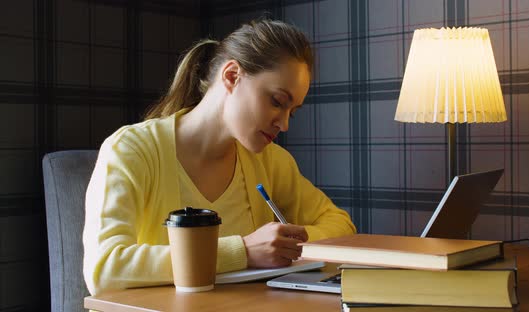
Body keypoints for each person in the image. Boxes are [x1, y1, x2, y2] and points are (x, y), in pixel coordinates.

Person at [82, 19, 356, 296]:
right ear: (232, 76)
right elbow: (104, 269)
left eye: (292, 112)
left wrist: (287, 244)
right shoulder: (132, 149)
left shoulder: (272, 161)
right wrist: (243, 251)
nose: (284, 124)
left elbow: (341, 225)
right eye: (276, 101)